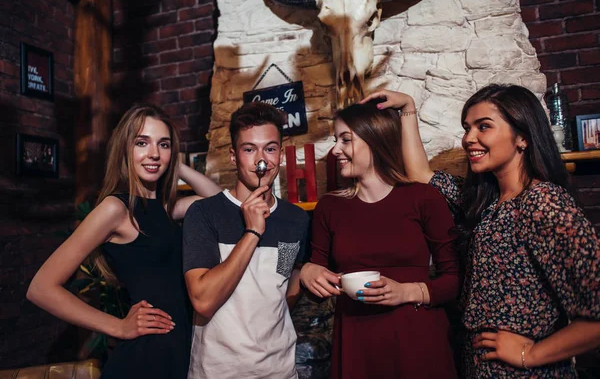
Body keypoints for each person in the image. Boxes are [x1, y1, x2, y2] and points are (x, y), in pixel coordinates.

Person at [362, 85, 600, 378]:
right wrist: (408, 108)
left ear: (523, 137)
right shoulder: (484, 202)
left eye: (483, 127)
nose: (468, 138)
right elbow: (420, 175)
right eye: (467, 128)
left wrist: (531, 353)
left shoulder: (542, 201)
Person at [27, 104, 222, 379]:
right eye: (142, 143)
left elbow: (219, 205)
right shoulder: (115, 209)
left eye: (163, 144)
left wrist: (175, 164)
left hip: (180, 352)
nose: (154, 152)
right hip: (145, 358)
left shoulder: (167, 209)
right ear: (125, 149)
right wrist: (117, 327)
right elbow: (41, 288)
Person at [299, 100, 461, 379]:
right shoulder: (330, 207)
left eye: (345, 140)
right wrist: (307, 271)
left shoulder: (423, 198)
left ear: (374, 140)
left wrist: (406, 292)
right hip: (356, 342)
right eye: (336, 140)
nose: (335, 149)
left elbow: (455, 280)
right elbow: (318, 280)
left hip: (419, 341)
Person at [183, 102, 310, 379]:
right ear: (233, 156)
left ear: (280, 155)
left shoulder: (296, 220)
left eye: (270, 148)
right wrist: (252, 232)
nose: (261, 160)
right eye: (249, 149)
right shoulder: (204, 214)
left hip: (280, 371)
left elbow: (286, 285)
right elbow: (203, 301)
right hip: (217, 372)